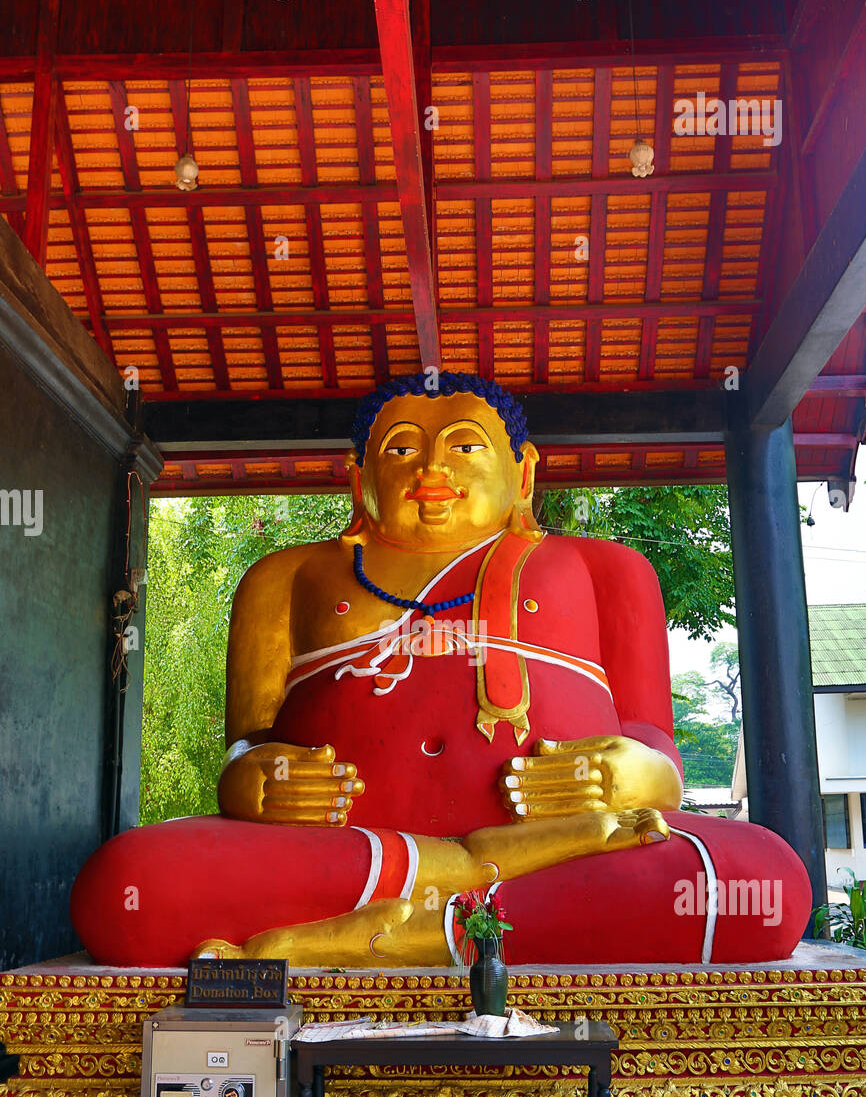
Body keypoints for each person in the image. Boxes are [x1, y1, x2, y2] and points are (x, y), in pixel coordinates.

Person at [71, 373, 809, 967]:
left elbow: (656, 746)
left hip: (550, 846)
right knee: (126, 885)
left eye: (463, 447)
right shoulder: (288, 577)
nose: (431, 469)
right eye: (399, 450)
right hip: (371, 851)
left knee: (764, 884)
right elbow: (246, 747)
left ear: (522, 474)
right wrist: (255, 777)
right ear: (357, 478)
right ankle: (474, 911)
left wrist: (638, 773)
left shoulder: (603, 569)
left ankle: (374, 935)